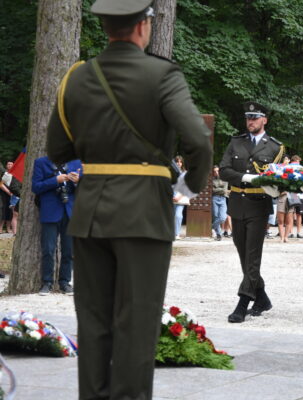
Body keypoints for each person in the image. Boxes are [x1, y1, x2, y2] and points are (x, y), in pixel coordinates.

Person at [46, 1, 213, 398]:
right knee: (135, 323)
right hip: (144, 212)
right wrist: (187, 190)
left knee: (93, 320)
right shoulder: (162, 75)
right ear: (143, 26)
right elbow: (198, 144)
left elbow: (56, 149)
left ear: (106, 28)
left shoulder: (76, 78)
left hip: (89, 214)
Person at [219, 101, 285, 322]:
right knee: (243, 254)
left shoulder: (275, 147)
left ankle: (243, 302)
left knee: (253, 255)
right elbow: (225, 170)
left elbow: (278, 181)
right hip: (237, 202)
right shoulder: (235, 142)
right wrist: (245, 178)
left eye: (255, 118)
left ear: (264, 120)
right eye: (248, 117)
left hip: (258, 204)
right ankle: (262, 297)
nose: (251, 121)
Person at [31, 156, 82, 295]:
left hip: (70, 211)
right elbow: (35, 187)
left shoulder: (76, 162)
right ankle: (46, 283)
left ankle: (65, 282)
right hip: (50, 210)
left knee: (69, 251)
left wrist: (78, 182)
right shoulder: (41, 162)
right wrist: (55, 181)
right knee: (48, 249)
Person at [173, 155, 188, 240]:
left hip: (180, 197)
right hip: (171, 196)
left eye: (180, 162)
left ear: (182, 163)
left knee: (178, 215)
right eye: (177, 161)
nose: (179, 163)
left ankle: (177, 234)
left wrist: (179, 197)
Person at [212, 165, 228, 240]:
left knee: (223, 217)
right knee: (215, 216)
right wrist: (221, 189)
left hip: (223, 198)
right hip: (214, 198)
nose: (216, 172)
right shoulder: (211, 180)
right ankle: (219, 235)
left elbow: (225, 190)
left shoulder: (225, 179)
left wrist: (217, 189)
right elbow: (212, 190)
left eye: (217, 171)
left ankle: (211, 227)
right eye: (215, 171)